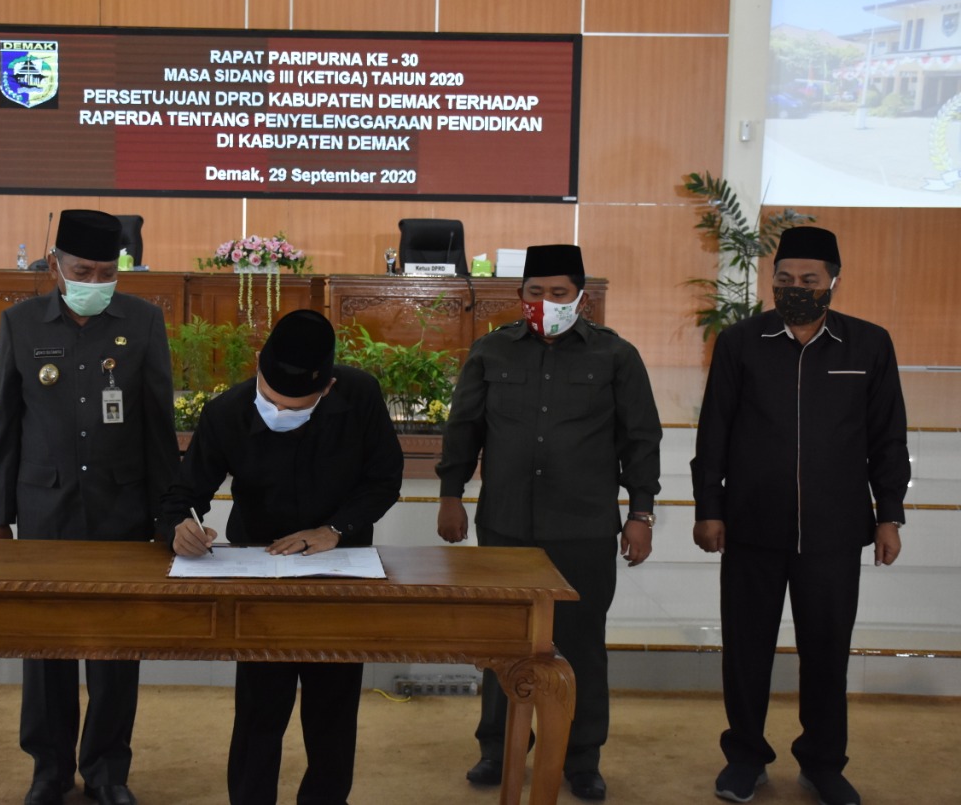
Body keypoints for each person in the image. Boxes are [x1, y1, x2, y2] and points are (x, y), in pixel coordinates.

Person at [690, 226, 909, 805]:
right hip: (751, 527)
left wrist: (889, 514)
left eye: (808, 280)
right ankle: (744, 758)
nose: (795, 289)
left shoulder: (869, 345)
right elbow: (714, 433)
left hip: (835, 532)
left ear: (834, 281)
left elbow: (888, 438)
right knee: (746, 650)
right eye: (783, 279)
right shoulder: (741, 342)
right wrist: (708, 507)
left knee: (827, 649)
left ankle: (823, 763)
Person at [436, 244, 662, 802]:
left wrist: (641, 512)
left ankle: (581, 758)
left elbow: (641, 439)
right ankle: (497, 748)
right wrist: (450, 494)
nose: (546, 303)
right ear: (520, 296)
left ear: (580, 298)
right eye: (535, 292)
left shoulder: (616, 356)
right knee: (504, 642)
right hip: (506, 524)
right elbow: (464, 428)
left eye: (559, 293)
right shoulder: (491, 351)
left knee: (581, 644)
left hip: (583, 526)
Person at [160, 309, 403, 805]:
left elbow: (384, 479)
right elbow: (182, 494)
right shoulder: (227, 411)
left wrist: (335, 529)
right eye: (272, 401)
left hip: (339, 568)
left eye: (299, 407)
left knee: (332, 711)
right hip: (259, 570)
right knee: (258, 709)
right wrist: (179, 529)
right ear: (258, 366)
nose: (282, 413)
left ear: (329, 387)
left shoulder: (360, 396)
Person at [0, 209, 180, 805]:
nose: (94, 280)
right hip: (45, 511)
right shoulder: (20, 323)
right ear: (55, 266)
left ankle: (107, 771)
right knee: (46, 649)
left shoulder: (144, 322)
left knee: (115, 651)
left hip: (121, 512)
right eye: (82, 270)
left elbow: (157, 426)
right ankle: (48, 769)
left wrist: (168, 516)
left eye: (106, 270)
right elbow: (8, 426)